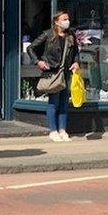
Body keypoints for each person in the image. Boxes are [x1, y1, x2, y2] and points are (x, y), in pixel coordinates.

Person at [26, 11, 81, 143]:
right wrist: (38, 62)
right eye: (64, 19)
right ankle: (53, 130)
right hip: (53, 72)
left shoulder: (70, 35)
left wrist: (76, 62)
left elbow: (76, 52)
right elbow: (31, 48)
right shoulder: (48, 34)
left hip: (66, 72)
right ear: (56, 22)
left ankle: (63, 130)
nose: (67, 21)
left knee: (64, 103)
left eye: (68, 19)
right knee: (54, 102)